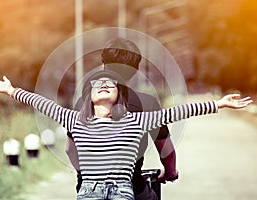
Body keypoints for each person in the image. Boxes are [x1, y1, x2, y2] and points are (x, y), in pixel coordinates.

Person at [0, 70, 252, 200]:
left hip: (123, 192)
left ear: (118, 96)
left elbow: (179, 112)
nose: (103, 86)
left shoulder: (136, 121)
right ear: (90, 97)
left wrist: (220, 104)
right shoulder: (75, 120)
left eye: (109, 84)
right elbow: (42, 103)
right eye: (97, 85)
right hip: (88, 192)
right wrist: (11, 90)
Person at [66, 37, 178, 200]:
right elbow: (166, 151)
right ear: (135, 70)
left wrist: (84, 176)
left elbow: (70, 149)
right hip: (132, 189)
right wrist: (170, 172)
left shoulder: (84, 103)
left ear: (103, 65)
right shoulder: (147, 103)